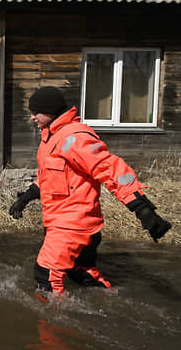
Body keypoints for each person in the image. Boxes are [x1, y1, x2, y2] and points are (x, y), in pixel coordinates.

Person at [9, 86, 171, 295]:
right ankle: (109, 301)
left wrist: (142, 208)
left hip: (72, 224)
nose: (32, 117)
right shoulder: (51, 137)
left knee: (46, 274)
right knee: (80, 272)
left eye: (35, 112)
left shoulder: (74, 138)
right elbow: (52, 176)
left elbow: (110, 168)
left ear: (50, 111)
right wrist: (27, 197)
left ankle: (53, 324)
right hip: (69, 221)